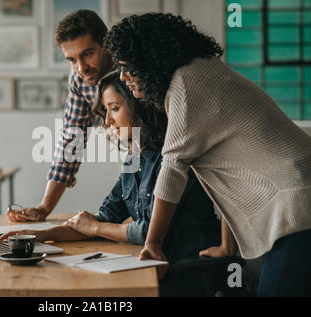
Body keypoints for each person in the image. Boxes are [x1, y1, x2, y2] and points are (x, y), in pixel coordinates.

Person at [104, 13, 311, 296]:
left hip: (298, 203)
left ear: (150, 59)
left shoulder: (186, 86)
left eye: (128, 67)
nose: (124, 76)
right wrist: (228, 247)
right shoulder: (201, 71)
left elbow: (173, 168)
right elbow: (222, 172)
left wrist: (153, 244)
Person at [0, 71, 222, 296]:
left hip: (187, 277)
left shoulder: (172, 158)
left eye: (114, 108)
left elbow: (146, 230)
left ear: (139, 106)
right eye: (105, 111)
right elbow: (104, 218)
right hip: (159, 269)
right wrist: (38, 236)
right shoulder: (135, 156)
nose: (107, 120)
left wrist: (95, 227)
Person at [8, 10, 113, 222]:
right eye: (72, 60)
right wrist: (44, 208)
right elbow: (71, 139)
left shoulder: (133, 70)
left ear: (106, 45)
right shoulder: (79, 78)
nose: (81, 68)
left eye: (87, 54)